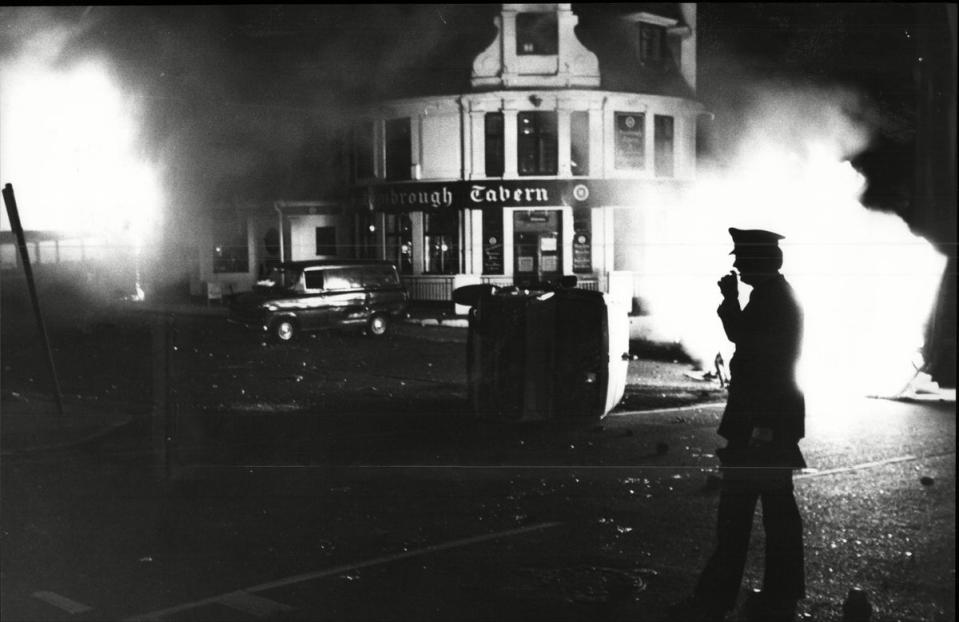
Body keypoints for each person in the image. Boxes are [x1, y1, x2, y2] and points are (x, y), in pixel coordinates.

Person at [671, 228, 806, 622]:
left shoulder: (771, 300)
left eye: (743, 258)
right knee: (775, 512)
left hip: (761, 423)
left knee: (736, 515)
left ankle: (716, 598)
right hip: (769, 421)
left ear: (760, 261)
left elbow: (753, 350)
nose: (736, 265)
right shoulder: (773, 295)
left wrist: (729, 301)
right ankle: (780, 593)